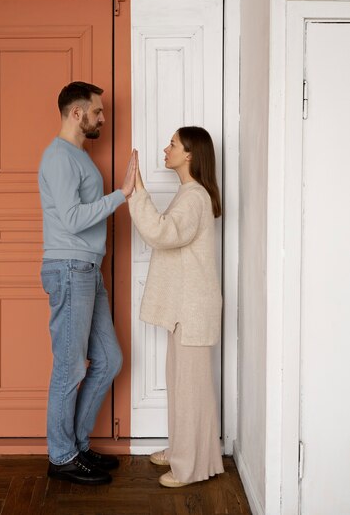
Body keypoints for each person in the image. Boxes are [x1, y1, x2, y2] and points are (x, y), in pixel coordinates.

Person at [38, 81, 136, 485]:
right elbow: (74, 220)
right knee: (70, 367)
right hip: (70, 268)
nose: (102, 118)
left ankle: (75, 445)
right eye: (97, 112)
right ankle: (61, 457)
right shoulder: (59, 157)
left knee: (108, 360)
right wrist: (121, 195)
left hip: (86, 270)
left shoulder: (77, 156)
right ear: (76, 113)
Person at [128, 126, 224, 487]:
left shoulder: (194, 197)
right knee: (183, 385)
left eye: (172, 144)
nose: (165, 149)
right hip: (186, 309)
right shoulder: (191, 194)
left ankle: (190, 466)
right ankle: (187, 450)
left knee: (190, 389)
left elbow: (162, 233)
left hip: (192, 310)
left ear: (189, 155)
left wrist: (137, 191)